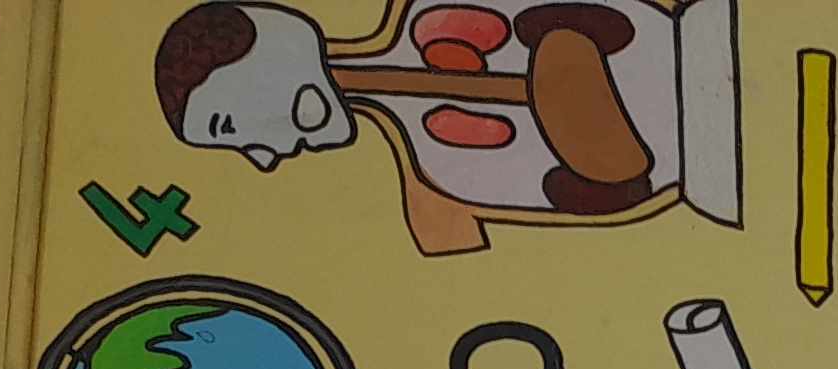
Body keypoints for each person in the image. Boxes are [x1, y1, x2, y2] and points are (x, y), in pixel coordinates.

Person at [151, 0, 739, 258]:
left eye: (232, 125)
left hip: (711, 43)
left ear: (267, 34)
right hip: (714, 183)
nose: (264, 157)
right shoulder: (436, 196)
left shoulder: (429, 12)